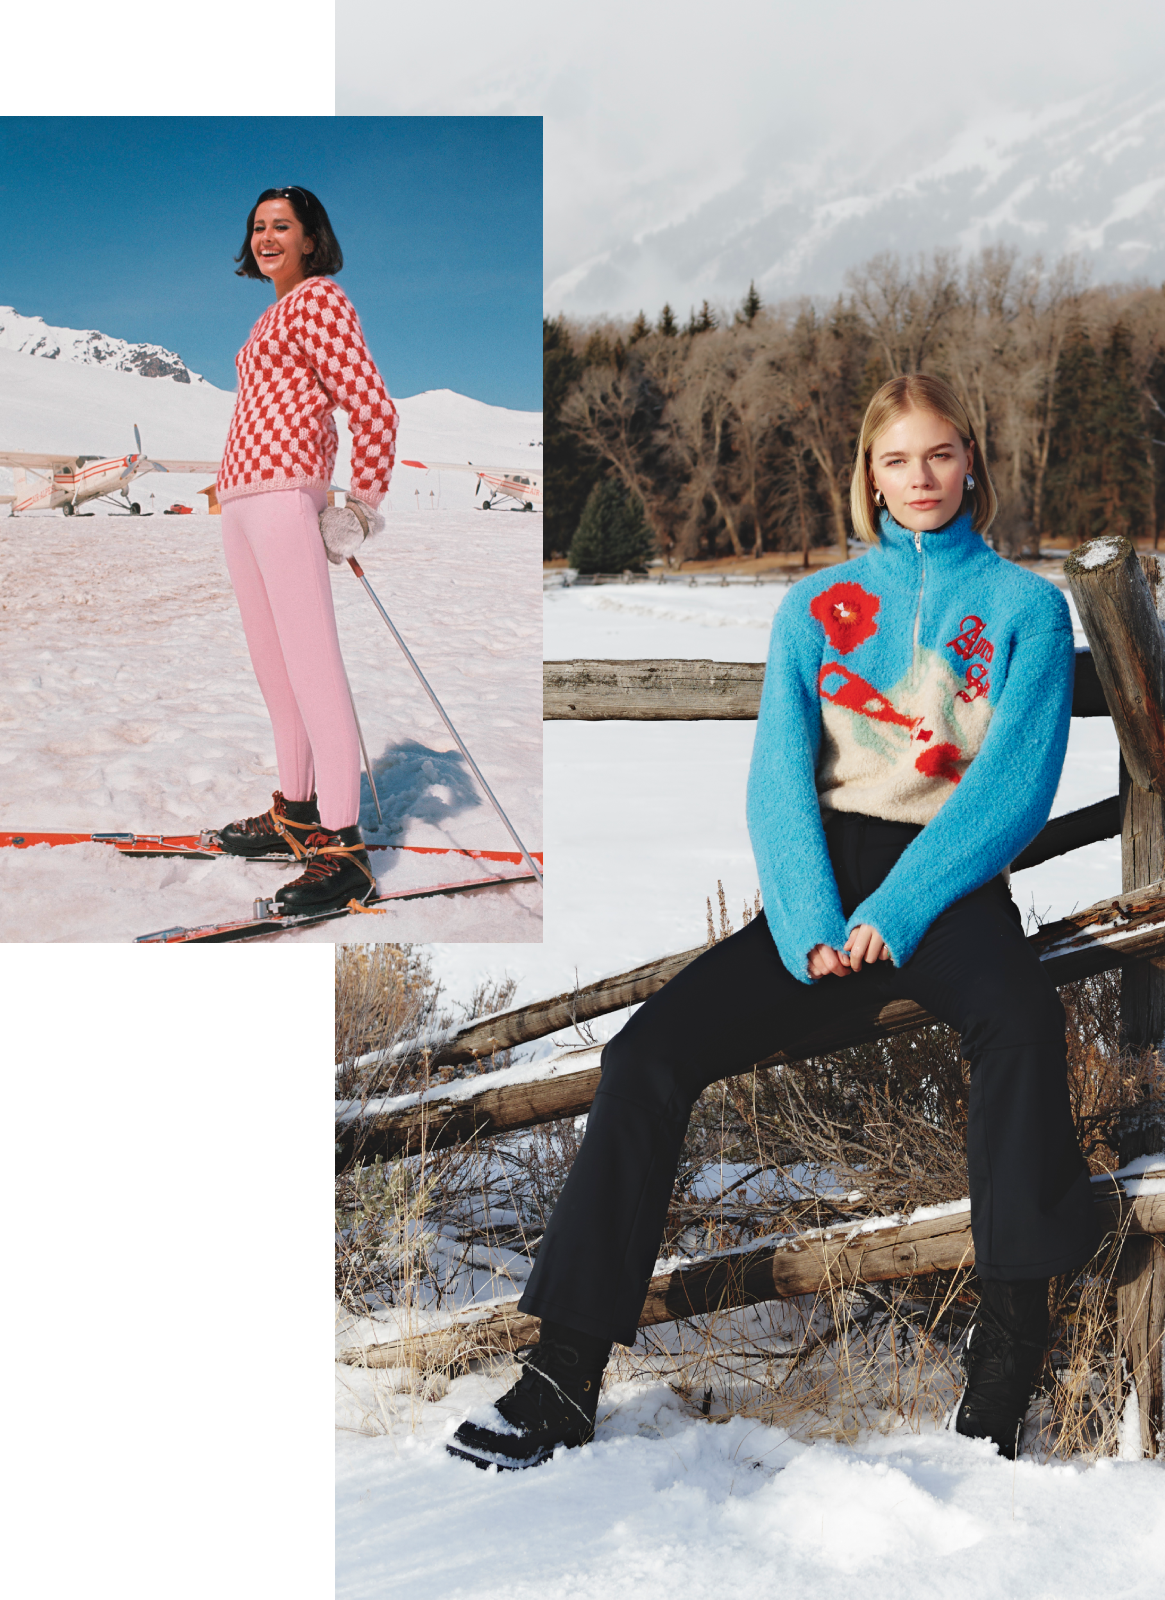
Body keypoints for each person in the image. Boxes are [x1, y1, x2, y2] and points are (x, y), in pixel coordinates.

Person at [449, 373, 1102, 1472]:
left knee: (1022, 1022)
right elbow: (777, 779)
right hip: (824, 873)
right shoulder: (814, 608)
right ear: (870, 477)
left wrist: (896, 912)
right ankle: (562, 1373)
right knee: (646, 1052)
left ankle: (1007, 1353)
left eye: (940, 455)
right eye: (897, 461)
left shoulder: (1028, 608)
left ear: (972, 462)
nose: (921, 479)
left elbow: (1011, 790)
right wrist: (809, 920)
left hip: (948, 879)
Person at [214, 185, 398, 913]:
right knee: (273, 665)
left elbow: (373, 405)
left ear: (310, 239)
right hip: (241, 503)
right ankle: (294, 807)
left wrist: (360, 505)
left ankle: (343, 845)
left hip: (288, 498)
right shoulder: (271, 313)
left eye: (281, 227)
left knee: (313, 664)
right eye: (258, 226)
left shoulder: (322, 300)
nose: (266, 237)